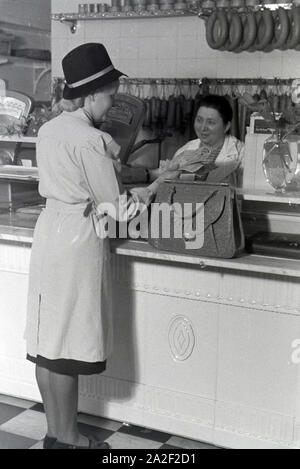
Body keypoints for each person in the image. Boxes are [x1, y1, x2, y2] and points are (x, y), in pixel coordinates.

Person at [24, 43, 179, 450]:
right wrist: (151, 190)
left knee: (47, 345)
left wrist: (117, 165)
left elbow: (80, 177)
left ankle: (55, 435)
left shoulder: (49, 130)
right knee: (70, 345)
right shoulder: (90, 140)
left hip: (50, 231)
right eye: (110, 93)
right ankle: (72, 438)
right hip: (77, 238)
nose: (113, 102)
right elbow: (118, 208)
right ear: (92, 92)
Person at [149, 94, 244, 187]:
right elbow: (170, 186)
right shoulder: (186, 149)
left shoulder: (242, 153)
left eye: (210, 122)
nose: (203, 127)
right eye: (199, 120)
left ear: (226, 126)